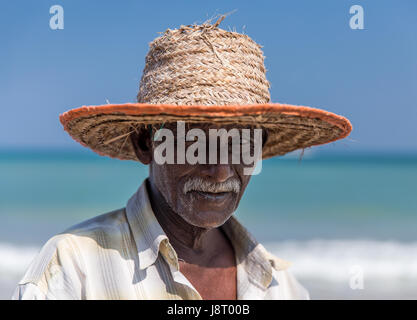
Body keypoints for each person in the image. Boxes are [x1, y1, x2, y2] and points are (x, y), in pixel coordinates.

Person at [12, 16, 351, 300]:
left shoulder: (281, 288)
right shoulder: (73, 268)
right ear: (146, 144)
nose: (219, 172)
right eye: (195, 142)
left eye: (238, 146)